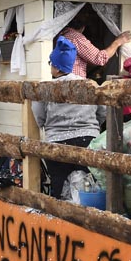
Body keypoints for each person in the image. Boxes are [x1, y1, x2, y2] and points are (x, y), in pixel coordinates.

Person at [32, 38, 106, 199]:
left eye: (50, 63)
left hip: (57, 141)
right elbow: (102, 111)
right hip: (88, 140)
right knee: (88, 187)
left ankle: (60, 220)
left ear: (57, 68)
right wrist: (93, 126)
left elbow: (39, 116)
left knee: (60, 186)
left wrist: (46, 125)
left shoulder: (45, 88)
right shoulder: (89, 85)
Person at [58, 11, 131, 78]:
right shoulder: (76, 37)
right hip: (73, 81)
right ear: (83, 27)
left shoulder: (63, 34)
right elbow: (98, 58)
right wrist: (117, 42)